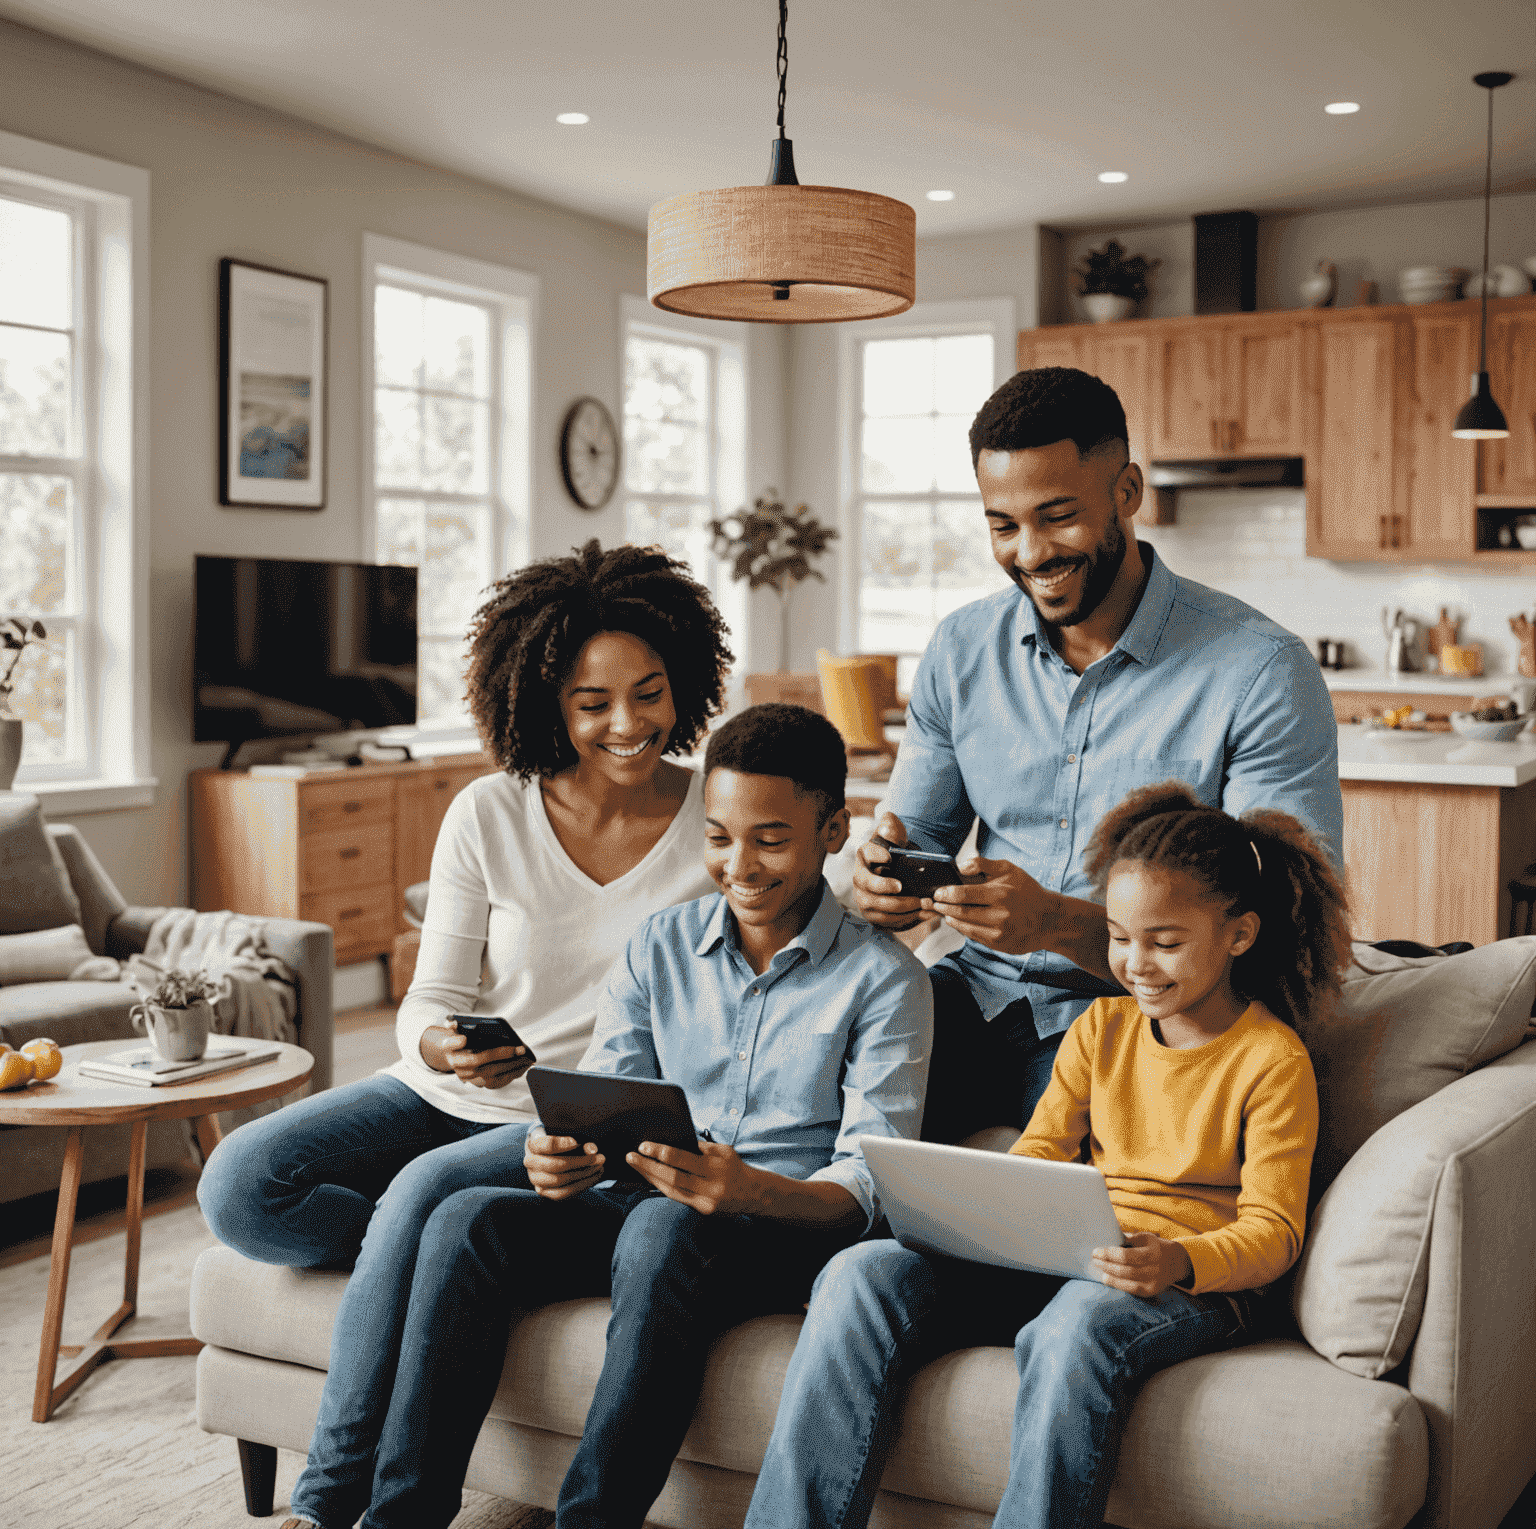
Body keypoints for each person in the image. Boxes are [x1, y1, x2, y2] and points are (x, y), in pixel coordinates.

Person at [196, 538, 733, 1529]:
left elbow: (814, 906)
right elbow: (432, 993)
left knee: (418, 1196)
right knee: (241, 1185)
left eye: (650, 693)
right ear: (542, 700)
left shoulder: (720, 817)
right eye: (591, 702)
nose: (628, 724)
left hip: (577, 1115)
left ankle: (328, 1502)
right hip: (451, 1088)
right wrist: (440, 1041)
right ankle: (420, 1264)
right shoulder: (489, 810)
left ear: (688, 681)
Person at [323, 703, 932, 1529]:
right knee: (467, 1217)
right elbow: (607, 1101)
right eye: (718, 838)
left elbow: (871, 1178)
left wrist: (745, 1188)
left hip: (781, 1228)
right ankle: (400, 1517)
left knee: (662, 1230)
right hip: (652, 1207)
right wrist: (563, 1156)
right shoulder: (660, 946)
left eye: (771, 839)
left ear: (833, 831)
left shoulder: (886, 981)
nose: (740, 865)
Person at [744, 781, 1352, 1529]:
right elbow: (1035, 1160)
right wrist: (989, 1214)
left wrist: (1179, 1260)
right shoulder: (1100, 1030)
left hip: (1186, 1281)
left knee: (1076, 1325)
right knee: (864, 1270)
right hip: (1075, 1253)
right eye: (1122, 938)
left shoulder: (1271, 1060)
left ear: (1240, 935)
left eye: (1165, 943)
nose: (1136, 964)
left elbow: (1275, 1231)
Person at [855, 365, 1344, 1143]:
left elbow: (1282, 935)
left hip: (1141, 1017)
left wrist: (1056, 922)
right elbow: (916, 838)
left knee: (1038, 1212)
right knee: (826, 1138)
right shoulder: (960, 650)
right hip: (969, 996)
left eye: (1058, 517)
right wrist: (884, 881)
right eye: (1003, 525)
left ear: (1128, 492)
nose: (1031, 552)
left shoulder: (1259, 670)